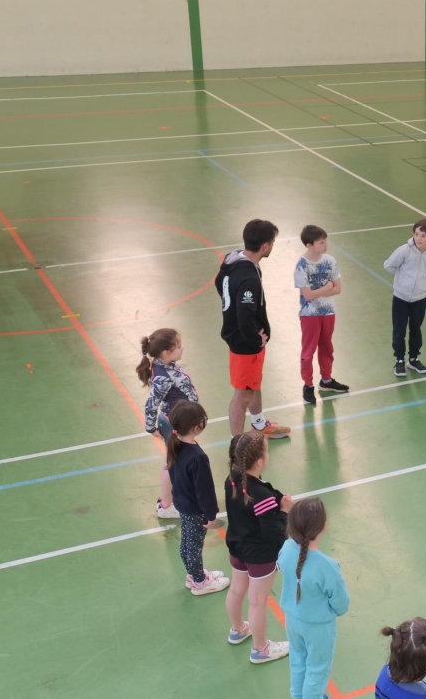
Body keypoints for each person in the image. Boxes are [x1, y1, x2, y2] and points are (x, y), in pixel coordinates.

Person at [278, 498, 351, 699]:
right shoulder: (326, 566)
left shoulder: (286, 549)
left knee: (298, 661)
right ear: (324, 526)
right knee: (317, 669)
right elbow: (341, 603)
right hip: (318, 627)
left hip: (292, 620)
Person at [215, 219, 290, 440]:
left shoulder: (233, 259)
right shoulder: (248, 277)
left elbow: (219, 282)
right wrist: (255, 340)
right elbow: (244, 315)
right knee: (243, 394)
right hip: (245, 344)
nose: (272, 246)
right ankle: (237, 443)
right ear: (265, 246)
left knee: (254, 384)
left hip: (244, 339)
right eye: (272, 242)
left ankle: (259, 424)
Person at [223, 432, 291, 665]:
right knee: (257, 601)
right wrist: (284, 511)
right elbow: (272, 533)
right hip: (260, 556)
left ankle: (238, 629)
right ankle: (261, 649)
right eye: (267, 451)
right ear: (260, 461)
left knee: (236, 590)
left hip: (237, 548)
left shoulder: (232, 480)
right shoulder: (262, 496)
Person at [165, 401, 228, 596]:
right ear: (196, 428)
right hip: (195, 510)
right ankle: (200, 582)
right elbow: (205, 490)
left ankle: (193, 575)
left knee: (186, 544)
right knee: (193, 548)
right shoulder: (197, 457)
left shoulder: (174, 444)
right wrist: (211, 514)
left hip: (183, 505)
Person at [138, 327, 199, 520]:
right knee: (171, 463)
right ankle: (166, 506)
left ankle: (170, 498)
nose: (182, 348)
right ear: (166, 352)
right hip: (174, 425)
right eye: (178, 346)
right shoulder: (163, 377)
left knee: (174, 461)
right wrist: (151, 428)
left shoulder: (165, 365)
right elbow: (151, 404)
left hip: (179, 421)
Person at [294, 224, 347, 404]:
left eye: (325, 241)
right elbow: (308, 296)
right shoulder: (302, 266)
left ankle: (326, 380)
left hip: (328, 312)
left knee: (327, 346)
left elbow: (338, 288)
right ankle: (308, 385)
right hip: (309, 314)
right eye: (321, 242)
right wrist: (327, 287)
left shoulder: (330, 261)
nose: (326, 245)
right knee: (308, 351)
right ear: (309, 245)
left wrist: (320, 291)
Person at [384, 219, 426, 378]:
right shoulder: (404, 250)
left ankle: (413, 359)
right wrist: (403, 280)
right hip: (400, 298)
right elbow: (389, 265)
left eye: (423, 236)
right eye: (416, 234)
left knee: (416, 329)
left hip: (419, 299)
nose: (418, 238)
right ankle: (399, 360)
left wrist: (422, 284)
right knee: (399, 330)